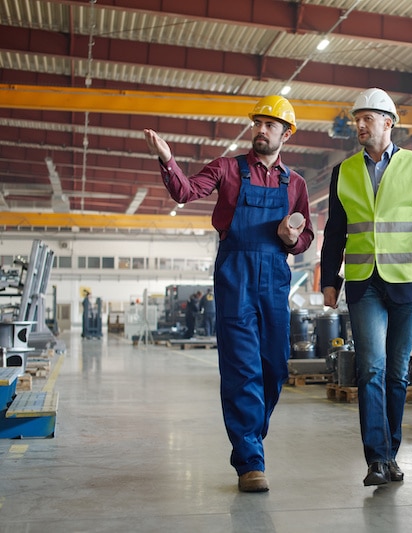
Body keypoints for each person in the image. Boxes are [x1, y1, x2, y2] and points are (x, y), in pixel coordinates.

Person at [143, 94, 314, 493]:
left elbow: (307, 236)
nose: (260, 129)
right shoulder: (227, 168)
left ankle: (252, 434)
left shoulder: (296, 183)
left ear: (285, 133)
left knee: (274, 367)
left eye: (270, 125)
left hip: (274, 276)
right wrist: (167, 160)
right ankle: (249, 459)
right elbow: (185, 191)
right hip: (235, 273)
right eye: (257, 123)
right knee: (242, 369)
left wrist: (292, 239)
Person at [320, 88, 412, 486]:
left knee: (398, 373)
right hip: (363, 283)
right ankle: (376, 459)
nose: (359, 125)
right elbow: (334, 233)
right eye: (356, 119)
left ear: (388, 122)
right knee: (371, 369)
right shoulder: (343, 172)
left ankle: (392, 454)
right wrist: (329, 281)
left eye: (367, 118)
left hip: (407, 283)